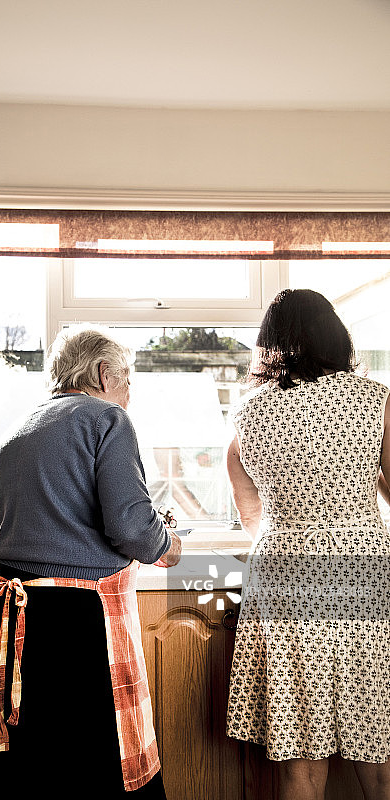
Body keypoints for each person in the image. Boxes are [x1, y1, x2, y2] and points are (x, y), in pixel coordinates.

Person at [0, 324, 181, 799]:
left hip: (8, 617)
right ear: (103, 373)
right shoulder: (107, 419)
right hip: (74, 628)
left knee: (25, 771)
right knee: (85, 773)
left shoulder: (19, 431)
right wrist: (168, 544)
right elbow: (132, 528)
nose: (128, 393)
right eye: (127, 380)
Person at [225, 289, 390, 800]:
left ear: (268, 346)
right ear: (335, 336)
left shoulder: (249, 414)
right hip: (362, 571)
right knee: (377, 742)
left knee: (300, 750)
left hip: (284, 575)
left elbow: (248, 504)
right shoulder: (374, 399)